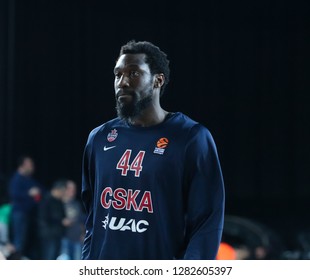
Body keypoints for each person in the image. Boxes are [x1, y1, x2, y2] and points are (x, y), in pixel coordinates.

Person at [81, 40, 225, 260]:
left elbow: (206, 222)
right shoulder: (99, 138)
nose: (122, 82)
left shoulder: (191, 137)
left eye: (133, 73)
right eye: (118, 74)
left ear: (158, 80)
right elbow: (92, 218)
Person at [8, 155, 42, 258]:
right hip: (19, 213)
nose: (32, 166)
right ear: (22, 165)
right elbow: (14, 194)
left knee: (25, 241)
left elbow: (40, 191)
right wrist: (29, 193)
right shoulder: (16, 179)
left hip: (29, 214)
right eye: (29, 164)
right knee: (19, 239)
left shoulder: (30, 180)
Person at [38, 180, 66, 260]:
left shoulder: (59, 202)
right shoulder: (45, 200)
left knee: (55, 257)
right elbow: (44, 217)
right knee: (49, 257)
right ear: (57, 190)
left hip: (57, 233)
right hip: (48, 234)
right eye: (63, 192)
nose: (63, 194)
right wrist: (61, 221)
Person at [59, 179, 85, 260]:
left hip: (77, 239)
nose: (73, 191)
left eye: (74, 189)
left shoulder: (77, 204)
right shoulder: (58, 203)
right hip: (64, 238)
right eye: (70, 189)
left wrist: (83, 234)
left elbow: (82, 220)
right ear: (64, 189)